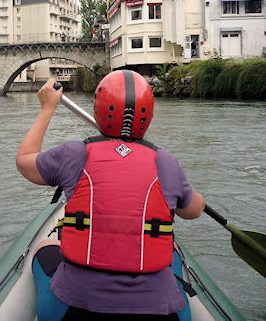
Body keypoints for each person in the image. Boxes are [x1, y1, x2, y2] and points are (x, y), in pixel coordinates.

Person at [16, 71, 205, 320]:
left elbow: (24, 161)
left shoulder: (74, 154)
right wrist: (191, 194)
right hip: (162, 313)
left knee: (45, 246)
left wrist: (47, 108)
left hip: (75, 310)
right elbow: (194, 210)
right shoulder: (167, 163)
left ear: (98, 110)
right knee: (173, 254)